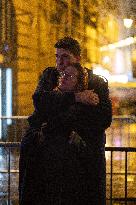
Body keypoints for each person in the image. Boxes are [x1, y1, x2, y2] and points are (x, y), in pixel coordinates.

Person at [19, 63, 111, 205]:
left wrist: (49, 126)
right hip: (44, 174)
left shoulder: (82, 107)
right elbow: (36, 111)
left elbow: (98, 121)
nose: (63, 77)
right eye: (63, 75)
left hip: (69, 176)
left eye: (69, 76)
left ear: (79, 84)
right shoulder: (52, 98)